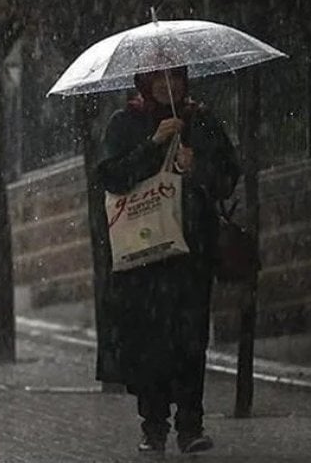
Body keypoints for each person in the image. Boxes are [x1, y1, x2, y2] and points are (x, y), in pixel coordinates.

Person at [97, 66, 240, 455]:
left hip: (191, 253)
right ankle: (154, 425)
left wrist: (199, 167)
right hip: (144, 257)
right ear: (143, 82)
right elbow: (111, 177)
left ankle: (191, 425)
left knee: (190, 341)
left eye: (174, 76)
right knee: (149, 342)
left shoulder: (200, 120)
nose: (167, 84)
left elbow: (228, 177)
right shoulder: (125, 123)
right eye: (157, 77)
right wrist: (153, 145)